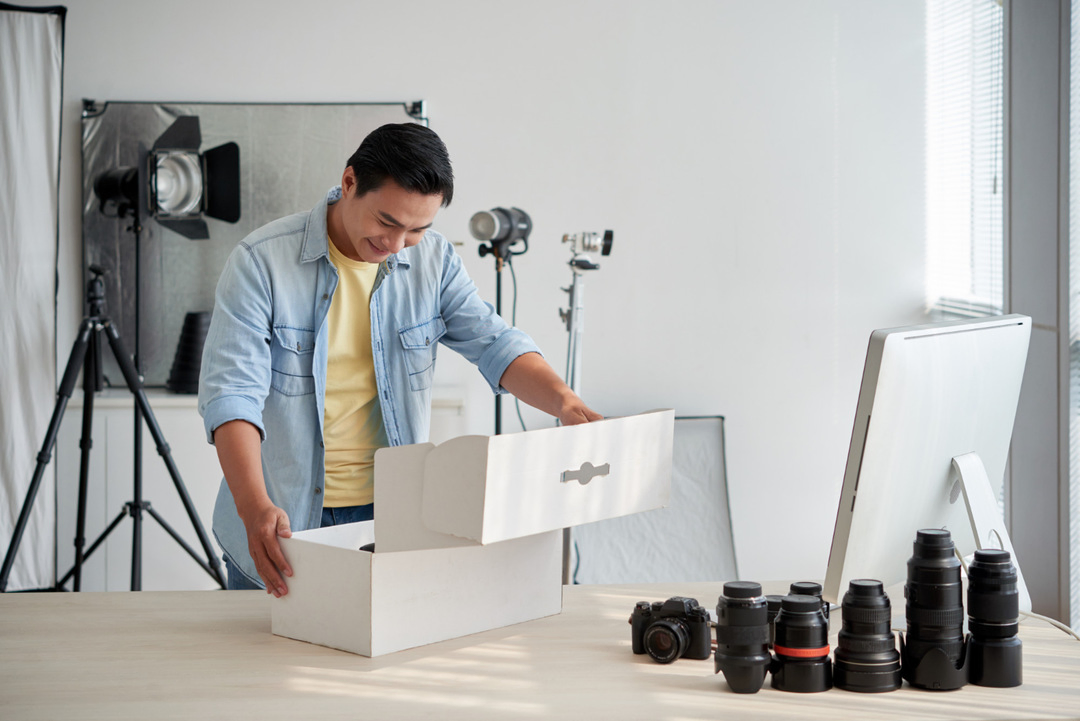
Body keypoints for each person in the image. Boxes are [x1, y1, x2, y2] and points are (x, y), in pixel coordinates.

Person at [198, 123, 601, 597]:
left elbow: (495, 344)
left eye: (417, 229)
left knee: (381, 667)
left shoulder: (434, 260)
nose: (396, 243)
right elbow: (232, 396)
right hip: (280, 516)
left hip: (390, 519)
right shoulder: (261, 262)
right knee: (266, 671)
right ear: (349, 183)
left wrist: (564, 402)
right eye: (387, 222)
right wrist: (253, 507)